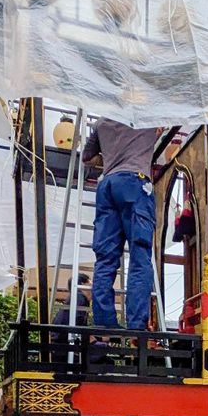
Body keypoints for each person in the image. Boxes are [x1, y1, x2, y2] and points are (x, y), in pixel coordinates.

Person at [82, 119, 159, 331]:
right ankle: (136, 323)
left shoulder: (102, 122)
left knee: (105, 258)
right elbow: (161, 130)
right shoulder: (152, 116)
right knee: (140, 256)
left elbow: (86, 157)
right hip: (136, 183)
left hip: (108, 184)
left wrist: (110, 155)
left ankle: (104, 322)